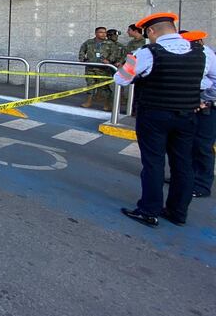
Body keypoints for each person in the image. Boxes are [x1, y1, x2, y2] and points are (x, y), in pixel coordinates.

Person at [115, 13, 216, 227]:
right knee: (183, 164)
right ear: (172, 27)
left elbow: (121, 79)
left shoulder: (145, 52)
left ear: (151, 31)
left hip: (154, 115)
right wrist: (204, 99)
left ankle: (149, 211)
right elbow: (213, 81)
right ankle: (178, 213)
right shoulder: (202, 51)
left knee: (153, 163)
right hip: (187, 115)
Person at [181, 30, 216, 199]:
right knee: (190, 143)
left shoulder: (204, 55)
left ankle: (202, 184)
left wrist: (202, 101)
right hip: (198, 105)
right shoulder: (195, 53)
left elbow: (201, 81)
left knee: (203, 145)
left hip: (208, 107)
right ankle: (187, 177)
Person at [78, 27, 119, 110]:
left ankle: (107, 104)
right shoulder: (89, 42)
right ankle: (88, 102)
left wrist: (109, 60)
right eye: (101, 32)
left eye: (105, 32)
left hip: (103, 68)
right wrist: (82, 59)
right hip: (90, 68)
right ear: (96, 33)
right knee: (90, 85)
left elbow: (115, 53)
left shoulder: (110, 43)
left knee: (104, 87)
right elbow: (82, 50)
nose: (104, 34)